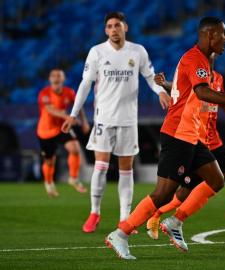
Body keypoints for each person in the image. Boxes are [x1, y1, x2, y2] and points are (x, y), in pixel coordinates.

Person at [105, 16, 225, 260]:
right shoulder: (195, 58)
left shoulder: (203, 61)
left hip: (191, 135)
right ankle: (120, 234)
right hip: (177, 134)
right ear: (209, 35)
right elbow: (202, 92)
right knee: (163, 194)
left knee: (216, 180)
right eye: (223, 33)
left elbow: (196, 92)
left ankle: (174, 222)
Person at [61, 12, 171, 233]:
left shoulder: (137, 51)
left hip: (128, 120)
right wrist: (73, 114)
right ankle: (94, 212)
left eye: (117, 25)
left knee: (126, 169)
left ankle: (124, 218)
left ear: (125, 27)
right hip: (103, 119)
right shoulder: (97, 52)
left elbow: (150, 77)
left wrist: (160, 91)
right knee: (100, 167)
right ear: (105, 30)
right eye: (110, 26)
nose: (114, 29)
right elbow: (85, 84)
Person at [146, 54, 225, 241]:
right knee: (184, 190)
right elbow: (179, 90)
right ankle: (156, 215)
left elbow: (223, 102)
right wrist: (165, 84)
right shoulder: (194, 74)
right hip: (195, 142)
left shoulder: (218, 78)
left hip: (214, 141)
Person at [37, 68, 89, 197]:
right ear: (50, 79)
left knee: (75, 148)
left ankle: (73, 178)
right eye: (53, 75)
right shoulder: (44, 93)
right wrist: (67, 117)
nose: (56, 77)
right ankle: (49, 183)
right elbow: (50, 109)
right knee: (50, 161)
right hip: (45, 132)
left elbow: (79, 105)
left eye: (58, 75)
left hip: (62, 128)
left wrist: (84, 121)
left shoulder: (69, 92)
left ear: (63, 78)